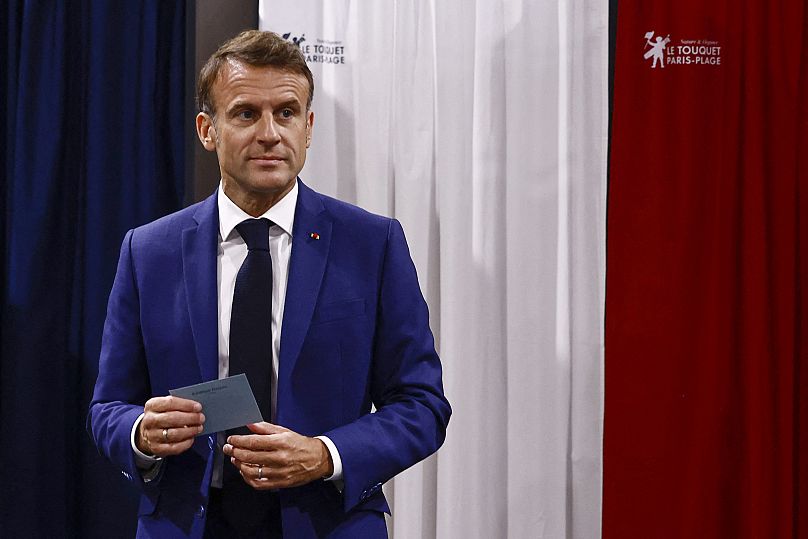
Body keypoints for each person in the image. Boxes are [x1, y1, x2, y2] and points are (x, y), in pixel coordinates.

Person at [87, 30, 450, 539]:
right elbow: (108, 408)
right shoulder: (149, 251)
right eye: (245, 114)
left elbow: (422, 406)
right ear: (206, 130)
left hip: (326, 521)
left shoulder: (373, 244)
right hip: (189, 523)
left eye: (286, 112)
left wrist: (326, 455)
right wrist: (142, 434)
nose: (270, 133)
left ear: (308, 126)